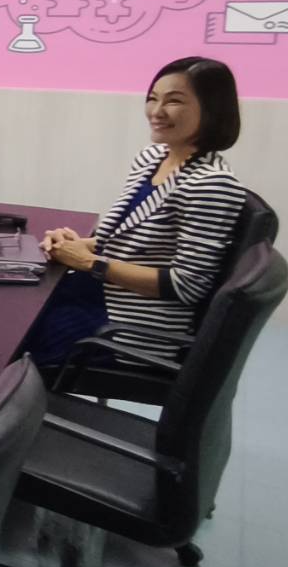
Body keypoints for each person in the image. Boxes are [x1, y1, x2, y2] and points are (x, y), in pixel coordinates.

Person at [26, 57, 248, 367]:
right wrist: (75, 245)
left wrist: (90, 262)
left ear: (212, 109)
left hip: (129, 325)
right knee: (16, 306)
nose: (157, 111)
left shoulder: (212, 184)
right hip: (99, 295)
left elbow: (186, 284)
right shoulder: (152, 157)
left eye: (174, 101)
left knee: (13, 336)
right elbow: (136, 240)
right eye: (153, 98)